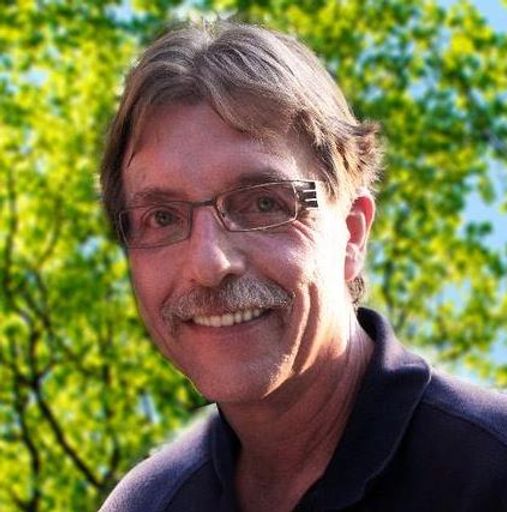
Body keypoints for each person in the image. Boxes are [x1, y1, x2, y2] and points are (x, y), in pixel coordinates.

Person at [98, 20, 507, 512]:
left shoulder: (492, 473)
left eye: (263, 204)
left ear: (352, 232)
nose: (208, 263)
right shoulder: (148, 503)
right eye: (162, 217)